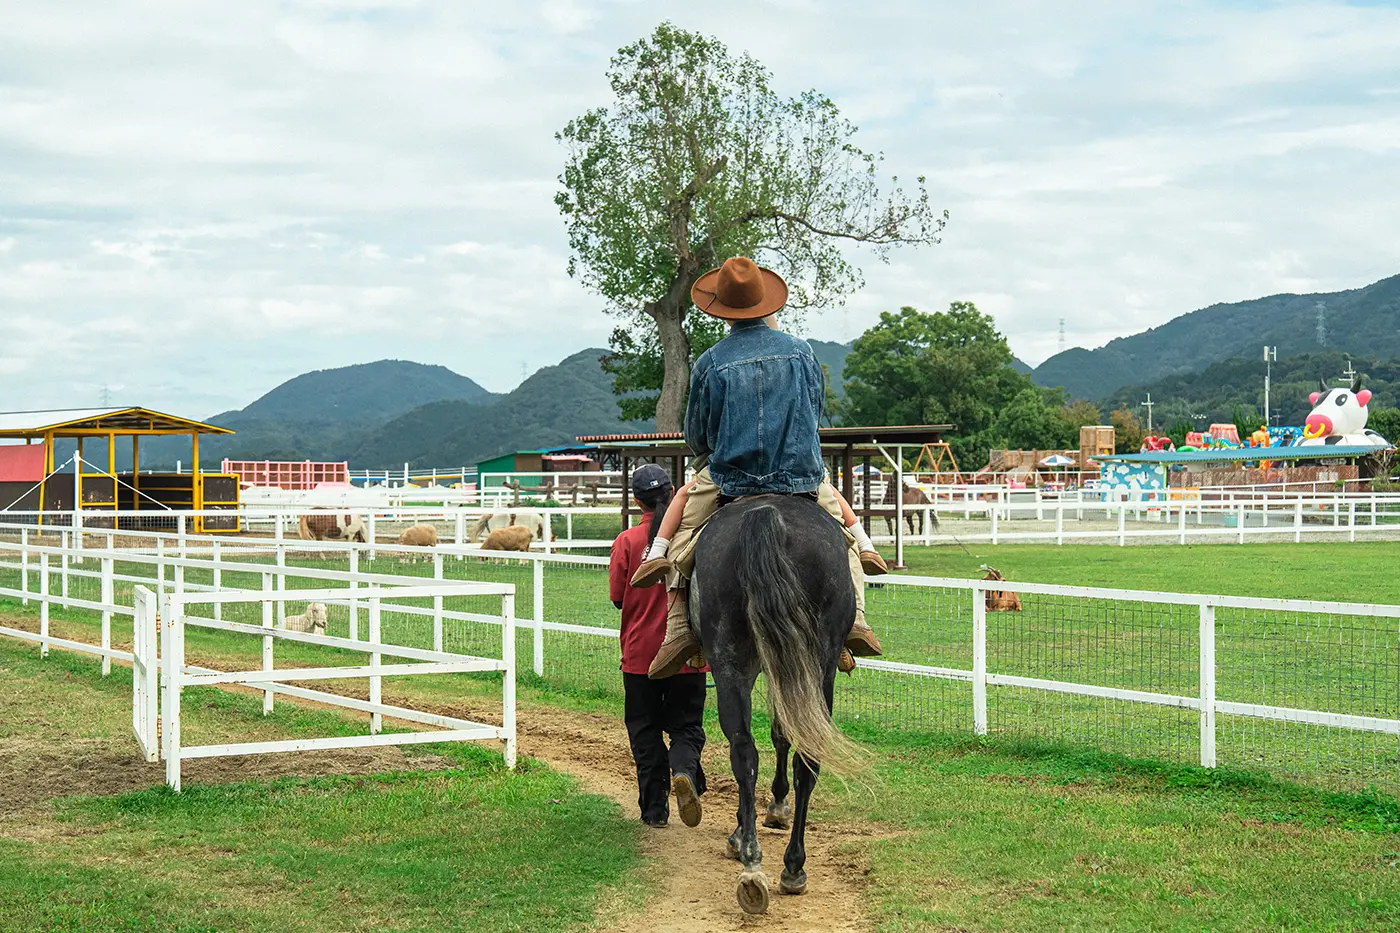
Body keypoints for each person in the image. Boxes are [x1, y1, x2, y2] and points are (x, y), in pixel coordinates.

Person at [630, 256, 886, 680]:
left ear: (723, 310)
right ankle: (856, 619)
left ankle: (678, 630)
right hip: (801, 476)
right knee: (842, 539)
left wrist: (713, 451)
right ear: (766, 304)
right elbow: (815, 410)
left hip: (730, 479)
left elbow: (698, 433)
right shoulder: (801, 352)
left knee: (681, 542)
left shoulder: (711, 362)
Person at [608, 463, 707, 828]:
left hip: (640, 656)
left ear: (637, 501)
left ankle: (654, 810)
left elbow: (618, 597)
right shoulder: (692, 537)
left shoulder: (628, 542)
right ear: (673, 492)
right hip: (687, 653)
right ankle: (683, 769)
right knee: (687, 727)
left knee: (644, 728)